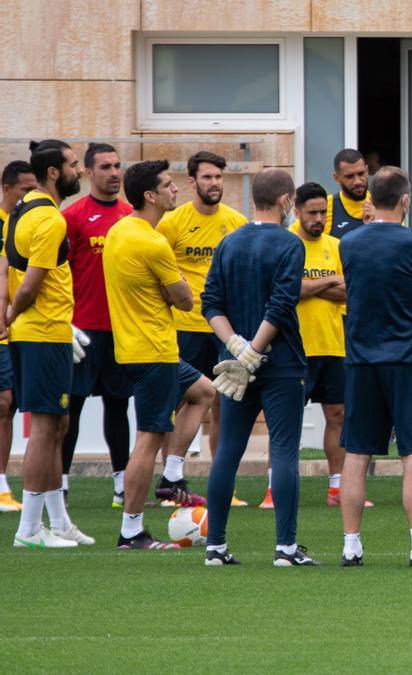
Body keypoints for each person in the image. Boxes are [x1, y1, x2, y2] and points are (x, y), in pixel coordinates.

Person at [337, 167, 412, 568]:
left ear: (371, 197)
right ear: (405, 200)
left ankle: (351, 546)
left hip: (360, 359)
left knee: (356, 454)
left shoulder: (348, 244)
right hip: (407, 358)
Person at [202, 168, 316, 567]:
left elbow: (210, 303)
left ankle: (215, 545)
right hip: (281, 361)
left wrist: (235, 346)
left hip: (234, 366)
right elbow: (282, 304)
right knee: (282, 451)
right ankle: (285, 547)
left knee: (228, 451)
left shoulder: (228, 242)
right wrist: (251, 348)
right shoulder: (290, 243)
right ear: (286, 202)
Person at [103, 160, 216, 549]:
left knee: (204, 391)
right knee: (149, 437)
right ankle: (131, 530)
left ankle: (171, 476)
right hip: (153, 351)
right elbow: (185, 301)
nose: (175, 190)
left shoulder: (120, 229)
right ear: (150, 195)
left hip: (137, 348)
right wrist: (180, 282)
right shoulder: (153, 242)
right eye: (168, 185)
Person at [6, 140, 92, 547]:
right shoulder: (49, 219)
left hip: (50, 331)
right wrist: (12, 313)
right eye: (74, 165)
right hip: (41, 332)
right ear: (54, 172)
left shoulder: (24, 210)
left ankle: (58, 522)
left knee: (59, 424)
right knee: (43, 429)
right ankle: (29, 530)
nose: (80, 171)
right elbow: (31, 283)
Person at [157, 151, 247, 505]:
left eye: (218, 178)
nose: (214, 184)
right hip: (184, 327)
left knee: (225, 405)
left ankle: (224, 483)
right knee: (179, 402)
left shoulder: (237, 223)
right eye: (207, 177)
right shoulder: (172, 223)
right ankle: (171, 483)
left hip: (223, 329)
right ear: (191, 182)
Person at [287, 182, 371, 509]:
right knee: (288, 418)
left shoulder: (337, 246)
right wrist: (328, 282)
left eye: (323, 212)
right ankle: (274, 488)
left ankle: (337, 489)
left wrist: (311, 286)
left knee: (338, 415)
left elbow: (352, 290)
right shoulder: (287, 243)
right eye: (312, 213)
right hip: (295, 346)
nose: (319, 218)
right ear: (297, 211)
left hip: (333, 344)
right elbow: (287, 288)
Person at [60, 143, 133, 508]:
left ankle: (122, 485)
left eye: (118, 165)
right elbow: (59, 272)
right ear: (89, 172)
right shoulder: (73, 216)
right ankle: (61, 483)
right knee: (71, 409)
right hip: (82, 330)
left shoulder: (131, 214)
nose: (114, 172)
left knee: (118, 406)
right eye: (106, 166)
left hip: (120, 329)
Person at [0, 160, 36, 513]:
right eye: (26, 190)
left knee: (6, 405)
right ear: (8, 190)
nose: (31, 196)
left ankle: (2, 486)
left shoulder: (30, 224)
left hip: (14, 328)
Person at [325, 148, 374, 239]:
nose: (357, 181)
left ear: (367, 171)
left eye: (361, 173)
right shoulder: (325, 206)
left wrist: (380, 223)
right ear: (336, 178)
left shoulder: (383, 203)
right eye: (349, 176)